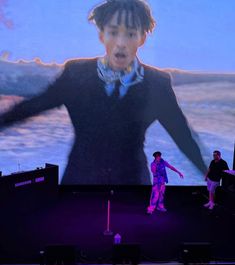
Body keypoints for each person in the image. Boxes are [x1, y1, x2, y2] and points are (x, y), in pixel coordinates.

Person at [0, 0, 207, 185]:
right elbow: (35, 105)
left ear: (142, 38)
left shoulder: (157, 83)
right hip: (79, 186)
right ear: (101, 35)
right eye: (113, 32)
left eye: (131, 33)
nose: (121, 43)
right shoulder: (76, 73)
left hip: (132, 188)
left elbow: (182, 135)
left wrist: (210, 175)